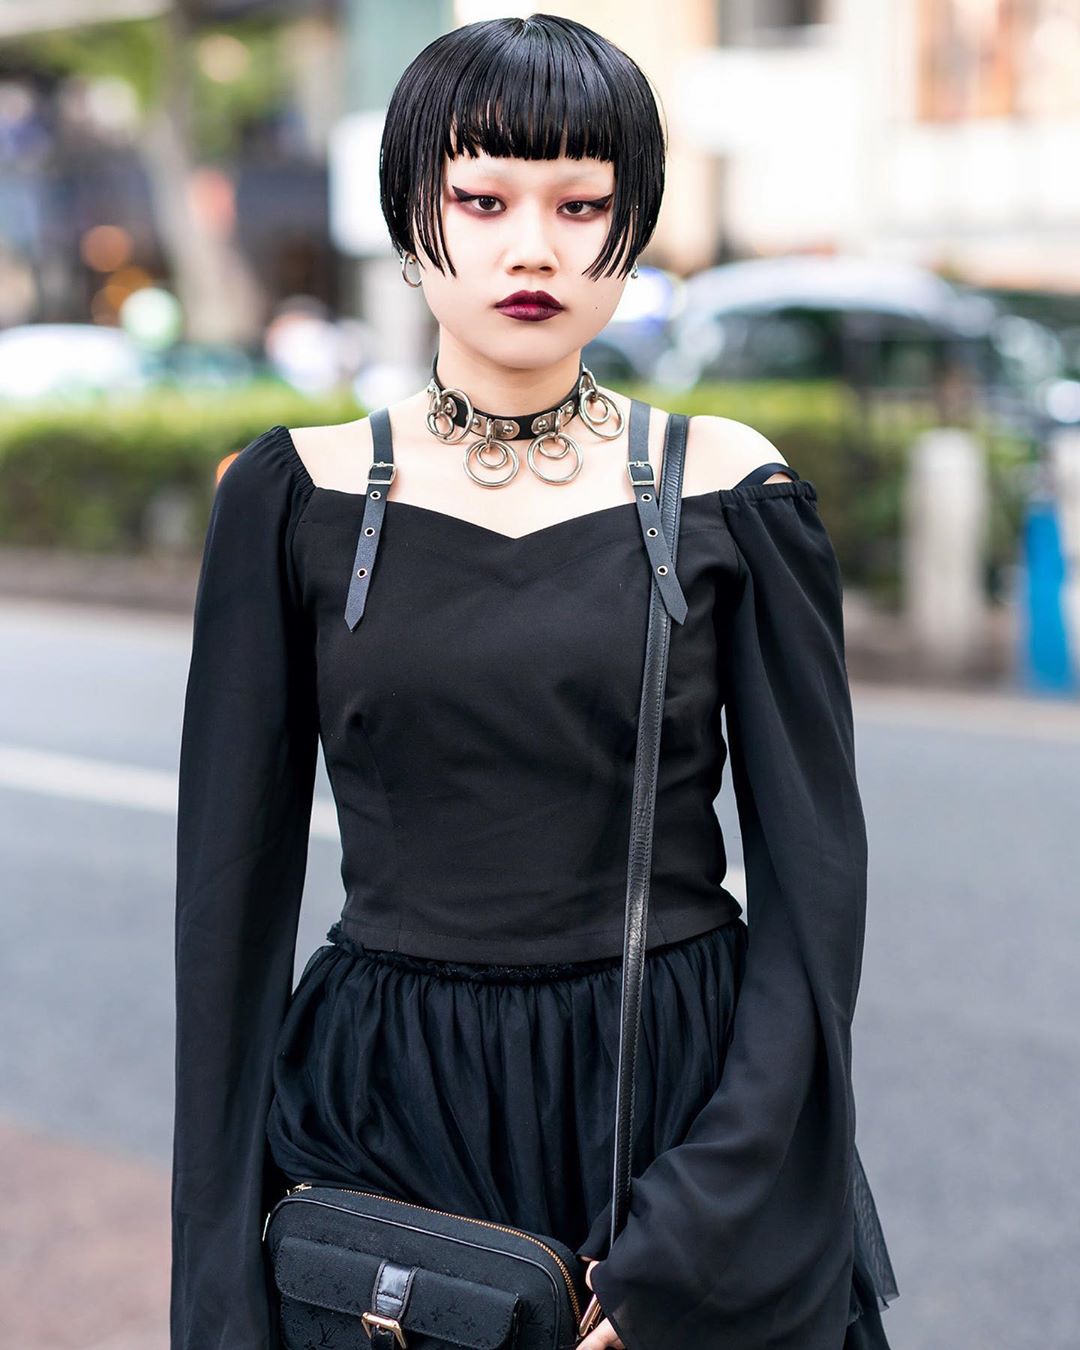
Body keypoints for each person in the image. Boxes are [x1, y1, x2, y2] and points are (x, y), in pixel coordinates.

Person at [170, 14, 899, 1350]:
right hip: (387, 1111)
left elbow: (816, 901)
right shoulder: (298, 495)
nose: (532, 247)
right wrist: (218, 1285)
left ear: (631, 226)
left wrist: (698, 1222)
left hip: (671, 1097)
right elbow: (225, 914)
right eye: (482, 196)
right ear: (411, 210)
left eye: (581, 203)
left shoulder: (732, 491)